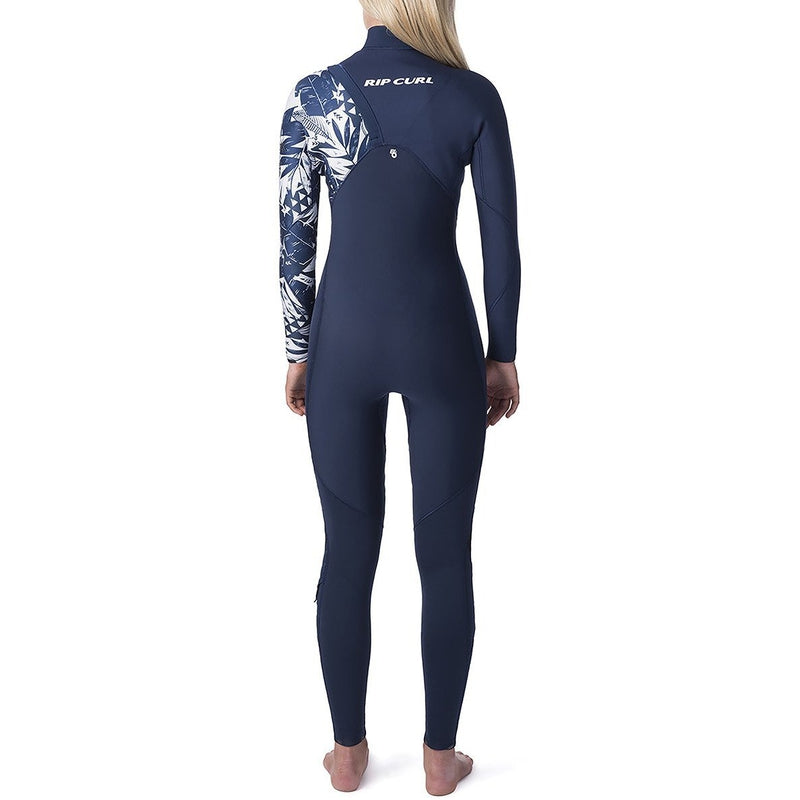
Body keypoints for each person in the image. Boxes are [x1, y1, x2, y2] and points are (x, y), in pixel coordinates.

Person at [278, 0, 521, 793]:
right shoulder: (471, 95)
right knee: (444, 553)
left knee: (347, 547)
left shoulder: (316, 95)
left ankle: (348, 755)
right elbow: (501, 238)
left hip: (341, 342)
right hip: (440, 338)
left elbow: (295, 239)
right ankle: (440, 760)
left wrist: (298, 352)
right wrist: (502, 354)